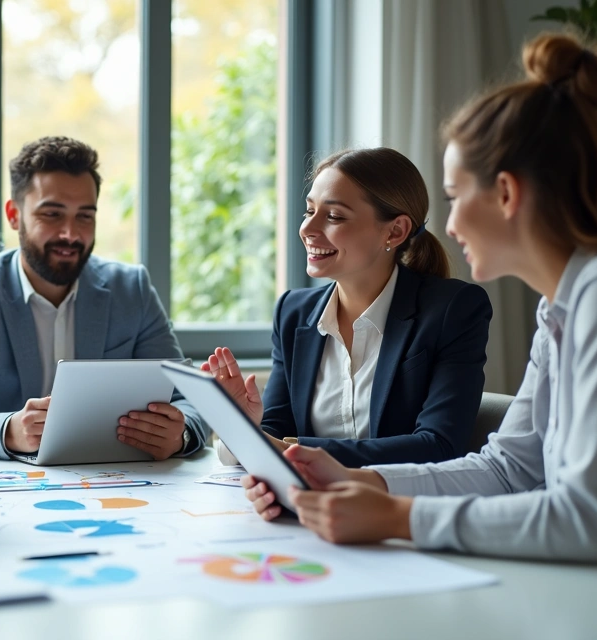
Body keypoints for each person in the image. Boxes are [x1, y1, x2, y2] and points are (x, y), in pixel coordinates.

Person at [243, 33, 597, 592]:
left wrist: (398, 516)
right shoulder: (565, 303)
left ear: (506, 194)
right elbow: (508, 470)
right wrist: (361, 480)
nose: (446, 226)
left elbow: (588, 521)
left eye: (452, 196)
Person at [0, 136, 208, 460]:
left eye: (85, 216)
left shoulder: (132, 290)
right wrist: (9, 430)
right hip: (11, 485)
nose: (70, 234)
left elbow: (188, 399)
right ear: (14, 215)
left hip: (117, 481)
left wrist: (180, 435)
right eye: (52, 214)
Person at [204, 147, 492, 468]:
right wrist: (243, 426)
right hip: (306, 506)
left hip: (400, 509)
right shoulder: (293, 312)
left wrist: (289, 449)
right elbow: (277, 432)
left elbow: (438, 446)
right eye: (309, 210)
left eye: (334, 216)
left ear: (395, 231)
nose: (308, 229)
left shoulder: (454, 309)